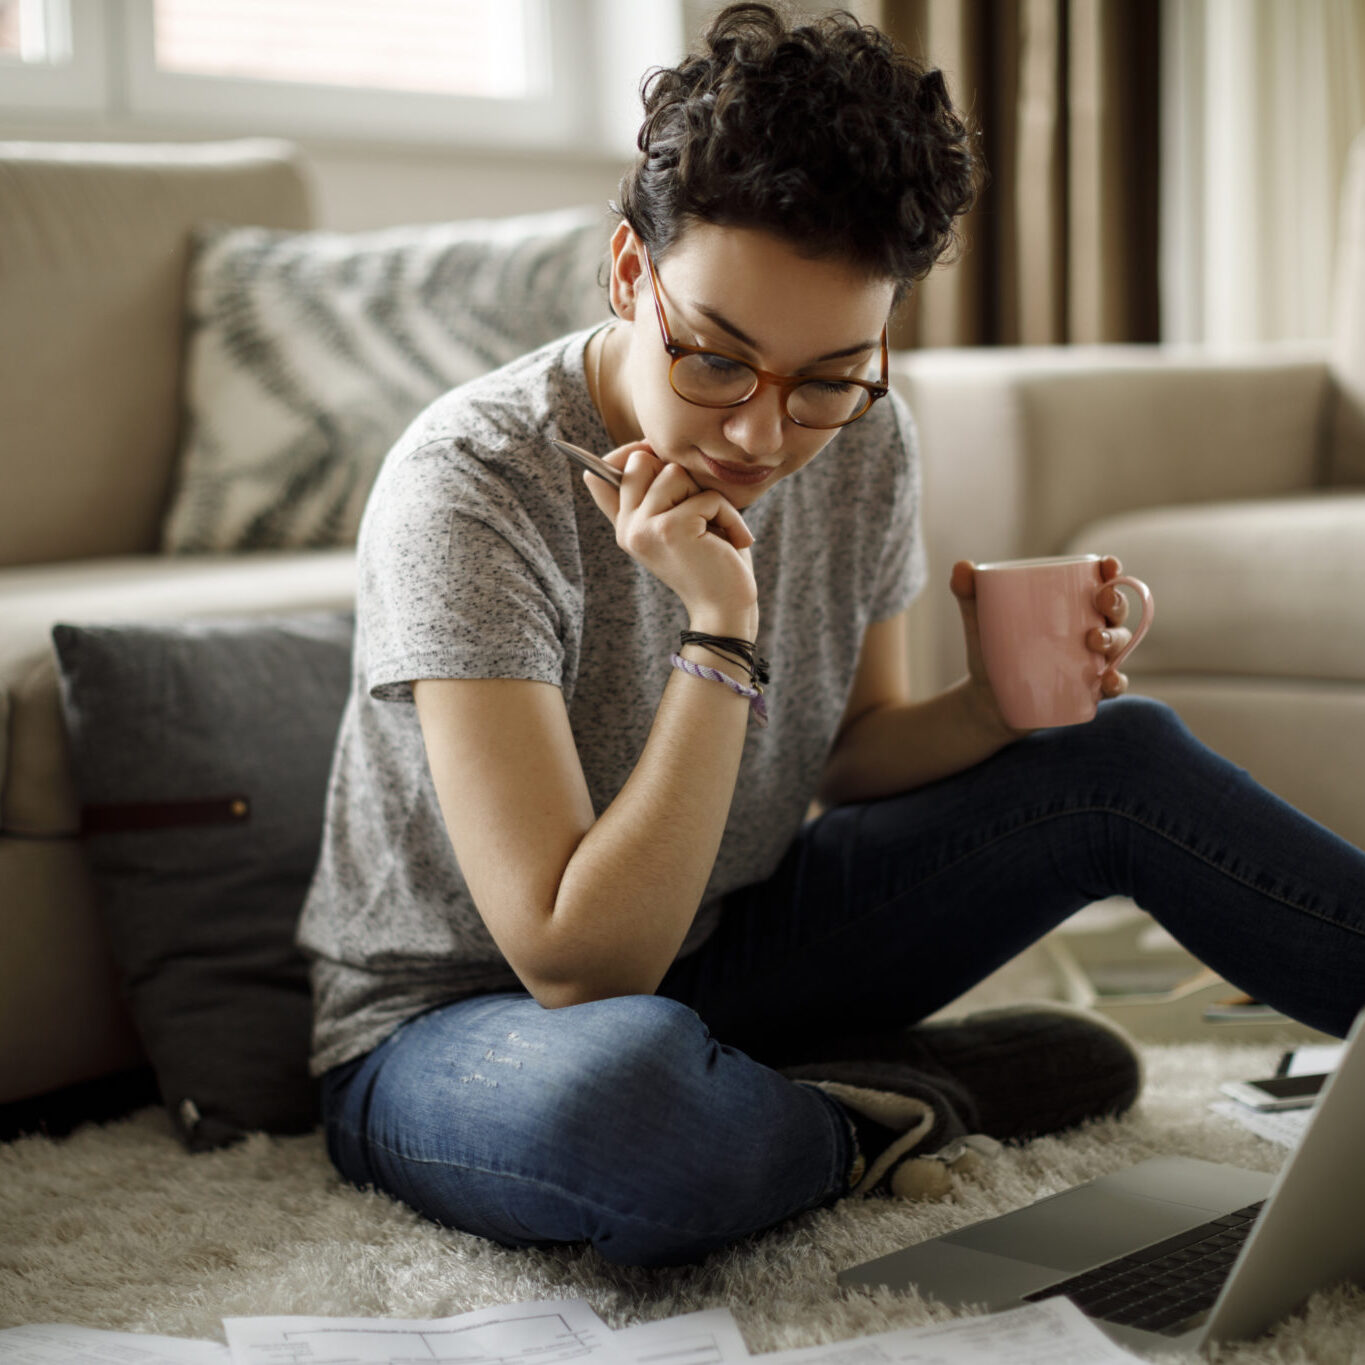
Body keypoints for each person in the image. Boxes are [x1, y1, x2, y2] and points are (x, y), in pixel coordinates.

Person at [298, 3, 1365, 1267]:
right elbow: (578, 963)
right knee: (631, 1111)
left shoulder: (868, 439)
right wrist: (722, 632)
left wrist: (990, 712)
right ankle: (902, 1102)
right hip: (463, 1023)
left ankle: (793, 1083)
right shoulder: (473, 482)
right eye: (717, 362)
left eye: (829, 377)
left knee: (1118, 756)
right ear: (632, 273)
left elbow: (848, 752)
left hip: (735, 946)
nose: (763, 435)